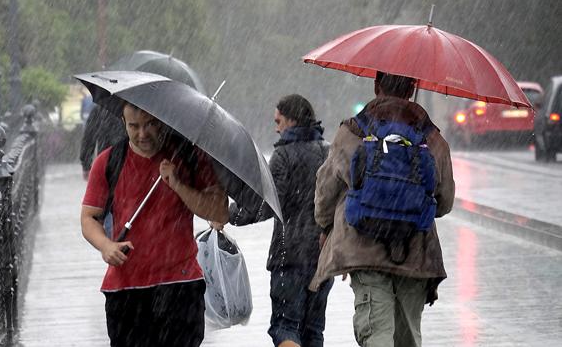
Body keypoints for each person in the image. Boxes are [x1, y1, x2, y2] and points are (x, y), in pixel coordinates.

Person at [310, 72, 455, 347]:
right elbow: (445, 201)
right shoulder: (432, 139)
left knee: (376, 334)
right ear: (413, 89)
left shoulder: (353, 131)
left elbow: (325, 191)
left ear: (376, 86)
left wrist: (325, 226)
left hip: (364, 250)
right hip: (415, 255)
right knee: (408, 337)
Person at [80, 102, 229, 347]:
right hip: (126, 289)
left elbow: (219, 213)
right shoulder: (108, 162)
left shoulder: (188, 156)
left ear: (162, 120)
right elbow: (88, 218)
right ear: (123, 123)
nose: (142, 134)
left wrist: (178, 184)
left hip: (180, 285)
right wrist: (106, 246)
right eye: (134, 126)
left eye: (150, 124)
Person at [212, 94, 333, 347]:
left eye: (278, 121)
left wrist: (227, 215)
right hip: (324, 259)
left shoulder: (284, 155)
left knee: (285, 327)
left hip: (289, 258)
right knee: (313, 331)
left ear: (292, 120)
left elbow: (265, 207)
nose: (276, 127)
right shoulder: (329, 152)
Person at [79, 104, 127, 180]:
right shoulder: (129, 108)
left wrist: (86, 164)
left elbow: (88, 138)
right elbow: (89, 138)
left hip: (106, 162)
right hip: (127, 161)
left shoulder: (99, 109)